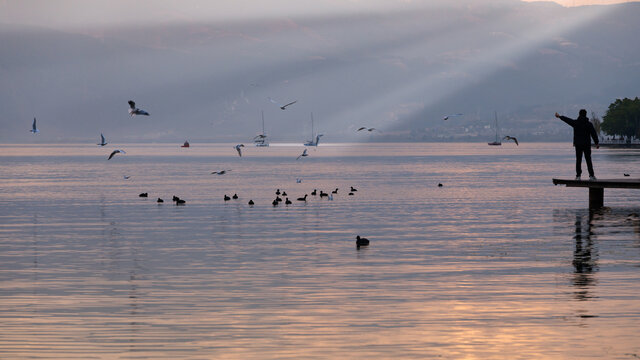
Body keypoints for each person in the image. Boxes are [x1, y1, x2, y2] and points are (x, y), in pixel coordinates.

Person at [555, 109, 599, 180]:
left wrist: (560, 116)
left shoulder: (576, 123)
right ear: (585, 114)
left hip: (578, 145)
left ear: (579, 114)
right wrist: (596, 143)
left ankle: (578, 176)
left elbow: (567, 120)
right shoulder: (589, 124)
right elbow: (593, 134)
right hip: (586, 145)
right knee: (588, 160)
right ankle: (591, 176)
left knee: (578, 160)